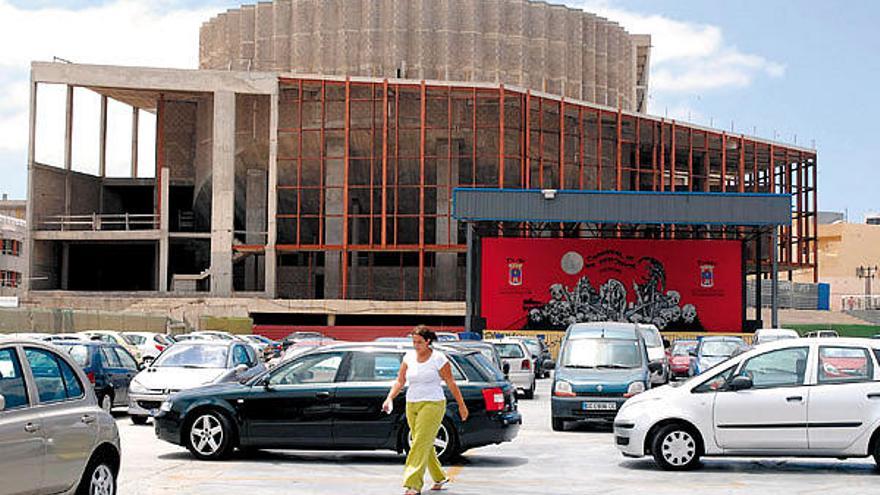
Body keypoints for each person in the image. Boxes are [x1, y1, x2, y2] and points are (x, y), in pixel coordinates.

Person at [383, 325, 469, 495]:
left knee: (419, 443)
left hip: (433, 404)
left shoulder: (438, 358)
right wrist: (389, 397)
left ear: (428, 341)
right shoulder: (408, 357)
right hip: (412, 404)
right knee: (423, 442)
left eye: (419, 342)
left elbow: (451, 382)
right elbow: (400, 381)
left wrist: (461, 405)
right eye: (414, 342)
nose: (416, 345)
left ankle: (413, 484)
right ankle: (439, 477)